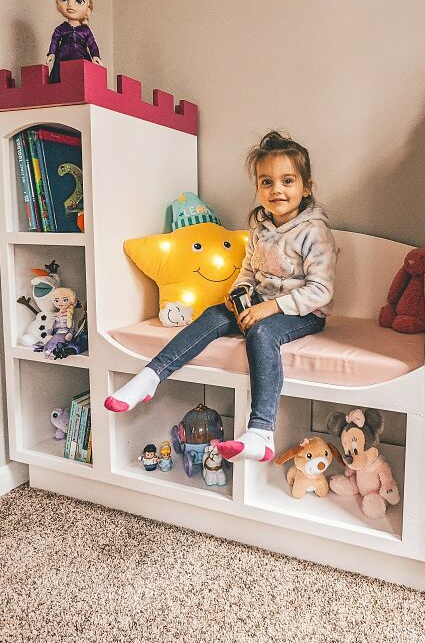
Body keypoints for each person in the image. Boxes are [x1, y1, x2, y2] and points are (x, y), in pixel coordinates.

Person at [105, 131, 337, 463]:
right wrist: (239, 293)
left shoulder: (315, 231)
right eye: (267, 182)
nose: (277, 190)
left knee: (262, 332)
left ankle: (261, 431)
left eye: (287, 180)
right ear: (258, 187)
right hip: (262, 302)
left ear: (306, 186)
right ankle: (149, 377)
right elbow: (248, 269)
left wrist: (269, 309)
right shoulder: (260, 228)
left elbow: (321, 290)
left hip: (304, 312)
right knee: (215, 314)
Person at [46, 0, 103, 83]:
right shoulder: (61, 29)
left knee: (82, 83)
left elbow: (92, 43)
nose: (70, 5)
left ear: (88, 9)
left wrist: (95, 55)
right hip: (62, 60)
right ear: (57, 5)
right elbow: (55, 40)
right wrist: (52, 53)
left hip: (82, 60)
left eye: (79, 1)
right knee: (60, 83)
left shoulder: (85, 30)